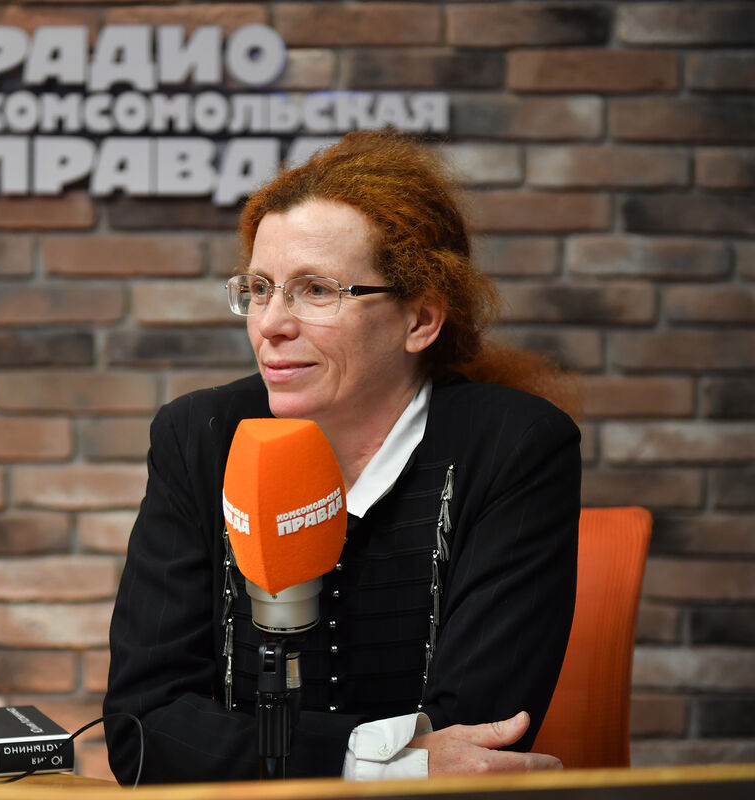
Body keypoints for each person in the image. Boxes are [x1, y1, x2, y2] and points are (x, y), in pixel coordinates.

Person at [103, 130, 582, 783]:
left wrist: (255, 752)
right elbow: (143, 728)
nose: (271, 324)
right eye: (260, 288)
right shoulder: (201, 435)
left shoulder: (513, 446)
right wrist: (370, 763)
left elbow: (479, 739)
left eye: (316, 290)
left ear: (420, 320)